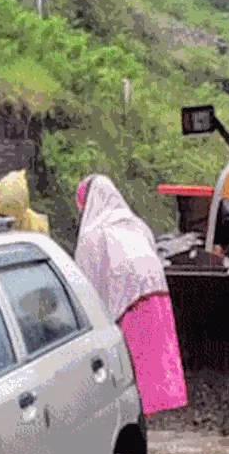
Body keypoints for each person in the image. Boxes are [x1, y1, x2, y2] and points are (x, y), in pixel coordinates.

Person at [74, 174, 187, 416]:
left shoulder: (93, 234)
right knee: (154, 366)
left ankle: (135, 422)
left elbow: (87, 284)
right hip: (158, 297)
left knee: (131, 374)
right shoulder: (136, 225)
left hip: (130, 305)